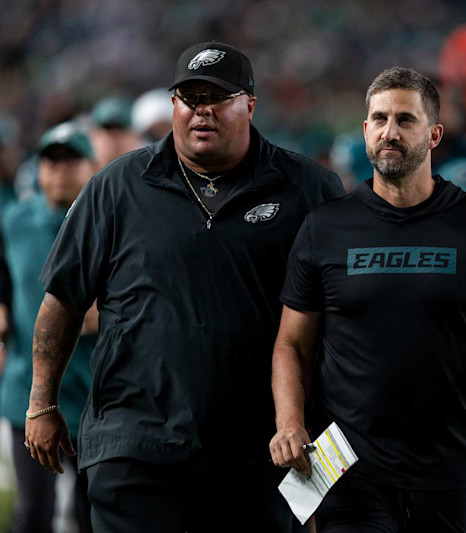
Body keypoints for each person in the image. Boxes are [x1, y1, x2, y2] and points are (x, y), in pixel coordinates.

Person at [24, 41, 344, 533]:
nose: (202, 110)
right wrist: (41, 403)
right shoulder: (116, 187)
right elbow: (62, 301)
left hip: (260, 449)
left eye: (218, 97)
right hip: (135, 443)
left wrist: (326, 449)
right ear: (173, 105)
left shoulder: (308, 189)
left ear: (250, 105)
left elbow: (338, 323)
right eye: (190, 97)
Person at [270, 67, 466, 531]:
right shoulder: (324, 228)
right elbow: (291, 344)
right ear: (365, 130)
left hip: (450, 470)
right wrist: (289, 421)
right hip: (346, 472)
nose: (390, 132)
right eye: (379, 119)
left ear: (435, 133)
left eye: (406, 120)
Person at [0, 122, 96, 533]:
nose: (60, 171)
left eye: (71, 160)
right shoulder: (14, 221)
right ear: (37, 168)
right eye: (51, 161)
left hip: (95, 394)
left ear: (90, 166)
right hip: (28, 391)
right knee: (32, 514)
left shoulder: (105, 222)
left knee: (92, 514)